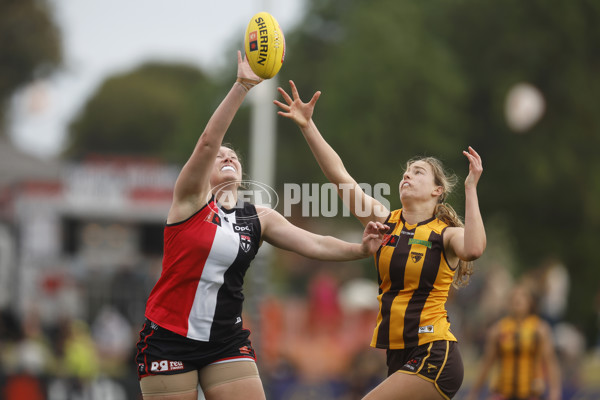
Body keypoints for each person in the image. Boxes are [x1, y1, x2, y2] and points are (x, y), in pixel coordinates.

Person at [134, 53, 388, 400]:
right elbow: (209, 140)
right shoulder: (189, 202)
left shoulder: (257, 217)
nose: (227, 157)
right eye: (220, 156)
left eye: (234, 156)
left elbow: (314, 244)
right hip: (169, 337)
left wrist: (359, 250)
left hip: (225, 339)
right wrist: (242, 86)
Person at [274, 80, 487, 400]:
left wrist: (471, 189)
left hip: (434, 353)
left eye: (417, 172)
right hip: (397, 355)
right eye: (405, 171)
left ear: (437, 190)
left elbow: (474, 248)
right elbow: (340, 177)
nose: (407, 175)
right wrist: (308, 126)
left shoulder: (446, 234)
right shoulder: (387, 222)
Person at [465, 285, 562, 400]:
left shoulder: (540, 329)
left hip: (531, 393)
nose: (518, 299)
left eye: (523, 296)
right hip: (503, 392)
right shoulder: (498, 330)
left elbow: (551, 362)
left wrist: (555, 392)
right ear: (508, 302)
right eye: (514, 296)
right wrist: (474, 392)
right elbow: (486, 363)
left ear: (530, 302)